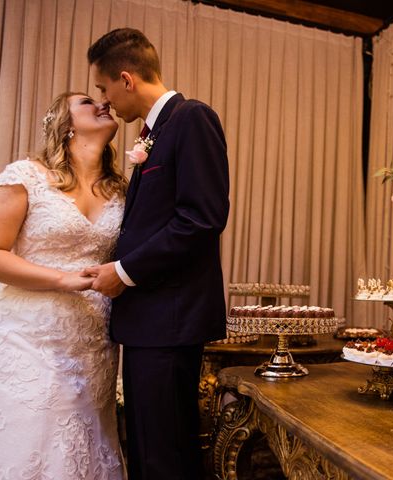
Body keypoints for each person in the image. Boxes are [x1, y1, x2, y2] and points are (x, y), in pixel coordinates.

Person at [85, 28, 230, 479]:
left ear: (126, 79)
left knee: (165, 453)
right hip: (152, 319)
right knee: (149, 446)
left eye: (103, 89)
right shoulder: (156, 132)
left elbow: (200, 220)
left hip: (171, 317)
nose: (104, 102)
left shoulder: (192, 118)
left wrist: (124, 273)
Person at [0, 92, 127, 478]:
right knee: (34, 438)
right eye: (88, 101)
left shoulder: (121, 190)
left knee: (87, 448)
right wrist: (63, 279)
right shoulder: (26, 176)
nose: (103, 104)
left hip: (95, 342)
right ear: (65, 123)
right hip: (31, 335)